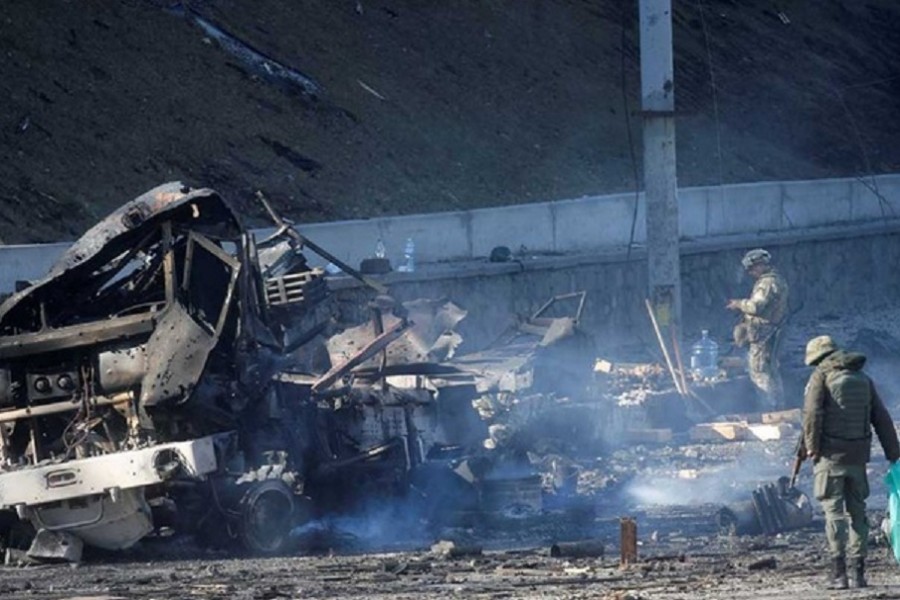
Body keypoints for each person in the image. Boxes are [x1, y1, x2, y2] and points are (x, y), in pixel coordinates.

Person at [801, 335, 900, 589]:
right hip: (858, 458)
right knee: (858, 514)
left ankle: (839, 574)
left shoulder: (820, 378)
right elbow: (882, 418)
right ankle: (859, 574)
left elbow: (811, 415)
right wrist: (893, 453)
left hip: (830, 458)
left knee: (834, 513)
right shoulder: (863, 380)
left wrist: (811, 448)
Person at [726, 248, 789, 410]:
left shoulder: (767, 283)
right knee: (772, 369)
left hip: (763, 333)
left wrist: (739, 304)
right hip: (772, 330)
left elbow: (756, 306)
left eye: (752, 268)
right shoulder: (777, 279)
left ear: (760, 265)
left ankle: (768, 408)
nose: (751, 272)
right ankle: (778, 407)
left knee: (759, 371)